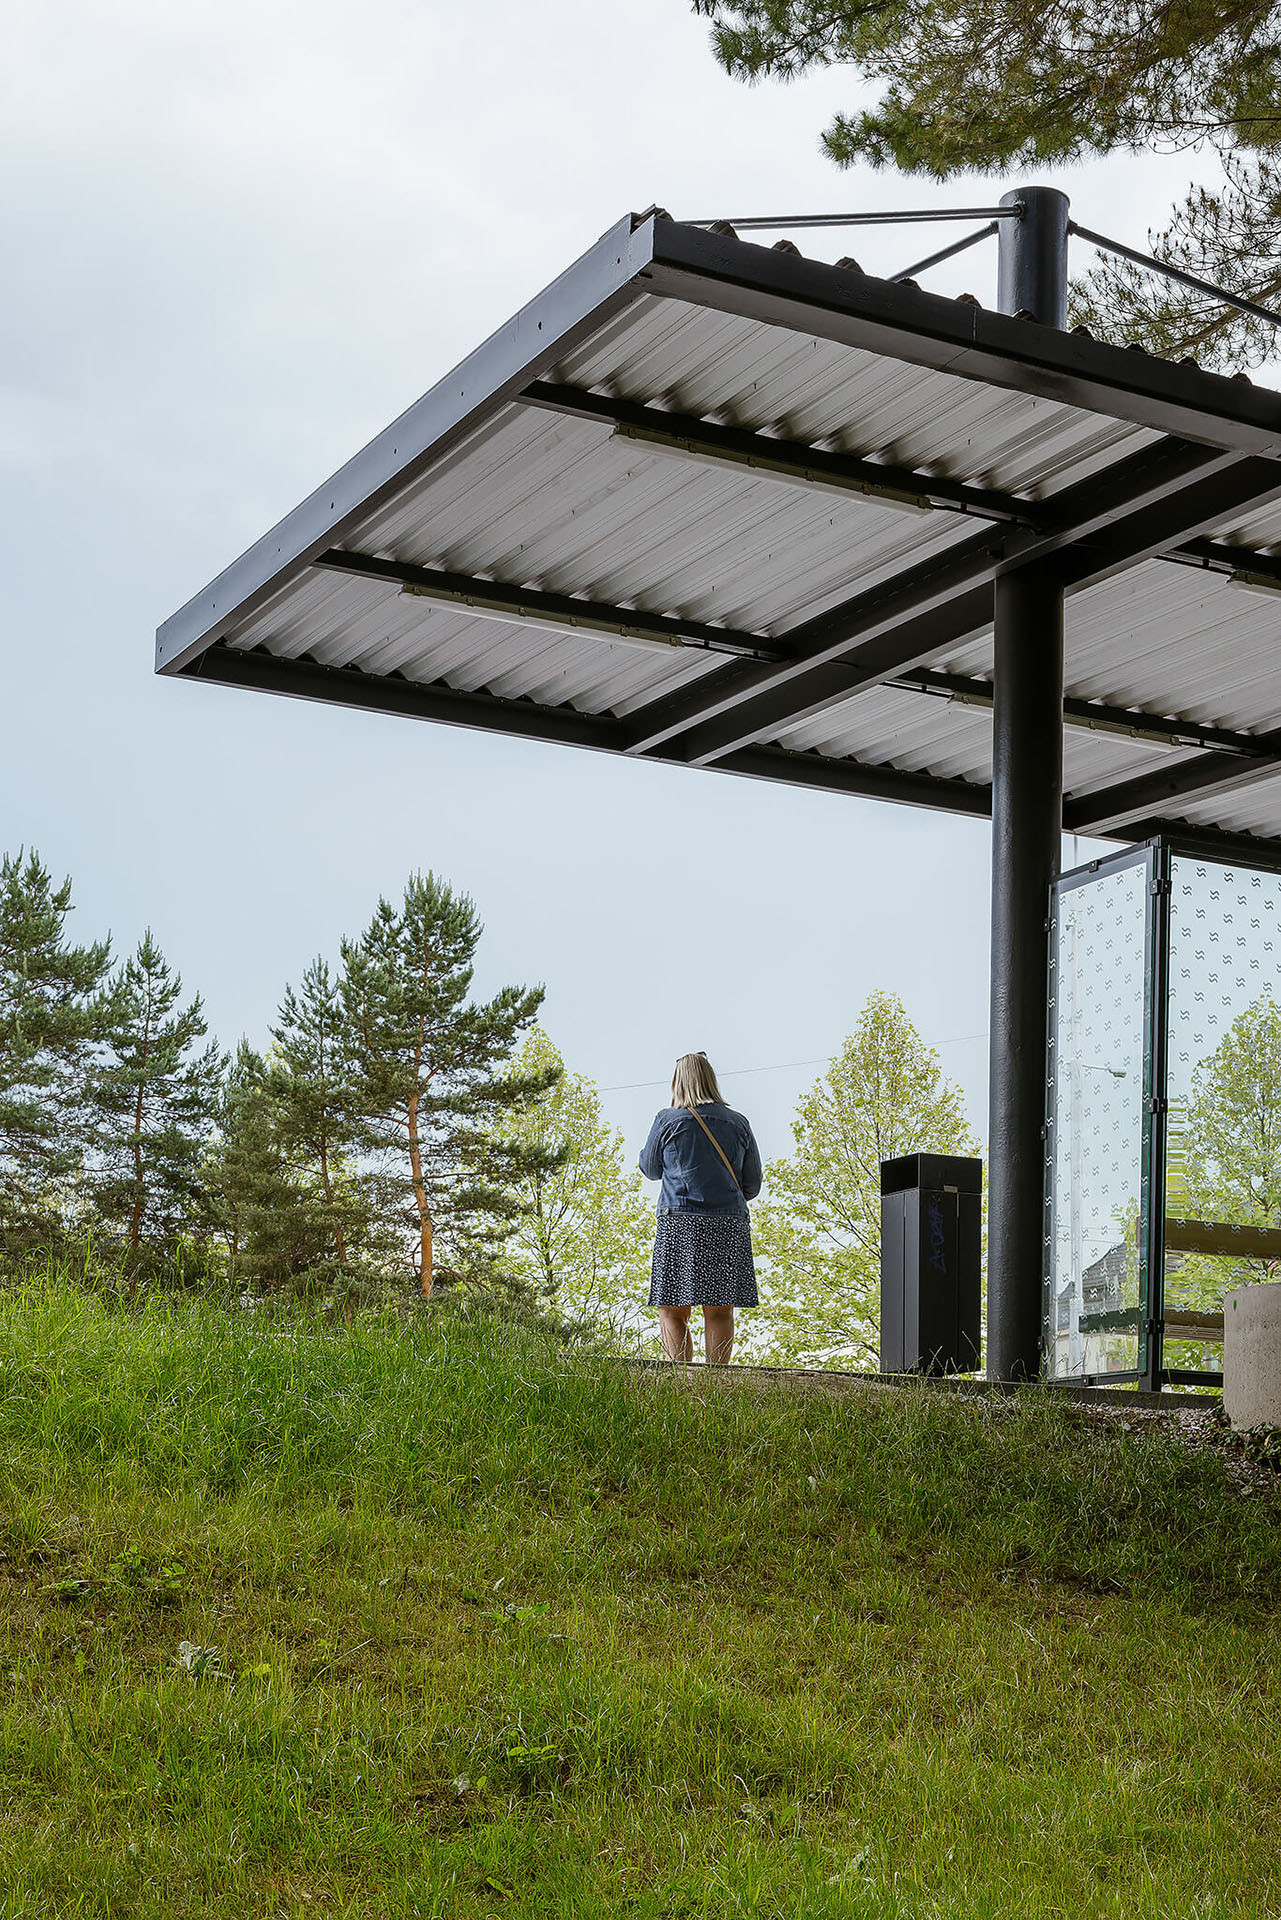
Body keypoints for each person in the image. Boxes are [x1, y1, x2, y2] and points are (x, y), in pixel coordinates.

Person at [639, 1052, 763, 1365]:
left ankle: (682, 1382)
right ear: (711, 1079)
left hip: (679, 1221)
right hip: (728, 1223)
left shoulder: (667, 1120)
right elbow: (752, 1185)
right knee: (720, 1309)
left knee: (672, 1309)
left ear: (677, 1081)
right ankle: (717, 1384)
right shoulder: (738, 1123)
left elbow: (651, 1169)